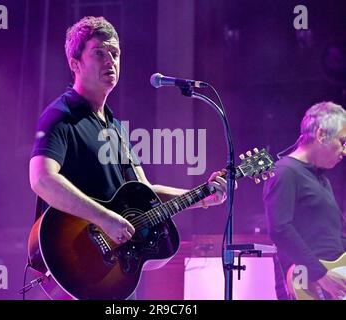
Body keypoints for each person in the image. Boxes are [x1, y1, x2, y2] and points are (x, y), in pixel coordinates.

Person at [29, 16, 228, 299]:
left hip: (115, 273)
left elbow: (145, 193)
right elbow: (42, 179)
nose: (110, 61)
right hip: (74, 265)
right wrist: (106, 219)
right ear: (75, 63)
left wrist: (201, 196)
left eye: (115, 54)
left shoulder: (116, 129)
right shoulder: (61, 116)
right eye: (99, 53)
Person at [263, 101, 346, 300]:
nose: (344, 151)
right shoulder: (284, 172)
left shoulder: (321, 179)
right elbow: (280, 229)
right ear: (321, 135)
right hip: (308, 284)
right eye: (342, 142)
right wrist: (321, 274)